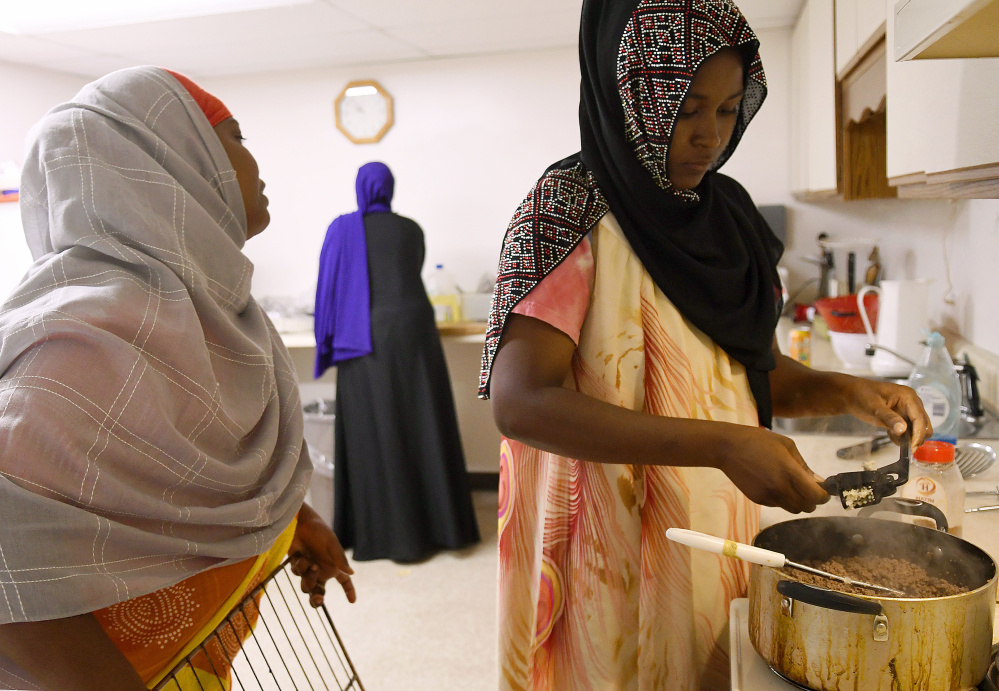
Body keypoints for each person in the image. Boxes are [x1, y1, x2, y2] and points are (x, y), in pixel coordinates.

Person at [480, 1, 932, 688]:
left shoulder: (725, 216)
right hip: (602, 543)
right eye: (685, 108)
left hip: (715, 525)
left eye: (726, 110)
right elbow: (520, 404)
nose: (707, 137)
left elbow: (742, 371)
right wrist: (722, 444)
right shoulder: (564, 210)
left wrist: (846, 391)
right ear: (628, 93)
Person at [0, 66, 355, 691]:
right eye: (237, 138)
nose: (257, 164)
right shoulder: (83, 344)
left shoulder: (215, 316)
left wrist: (293, 515)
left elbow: (171, 470)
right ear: (172, 161)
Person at [314, 162, 480, 563]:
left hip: (364, 337)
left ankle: (385, 534)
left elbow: (327, 288)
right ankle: (444, 529)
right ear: (390, 188)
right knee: (424, 421)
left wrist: (326, 339)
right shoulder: (412, 229)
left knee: (375, 427)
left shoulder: (342, 229)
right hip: (415, 331)